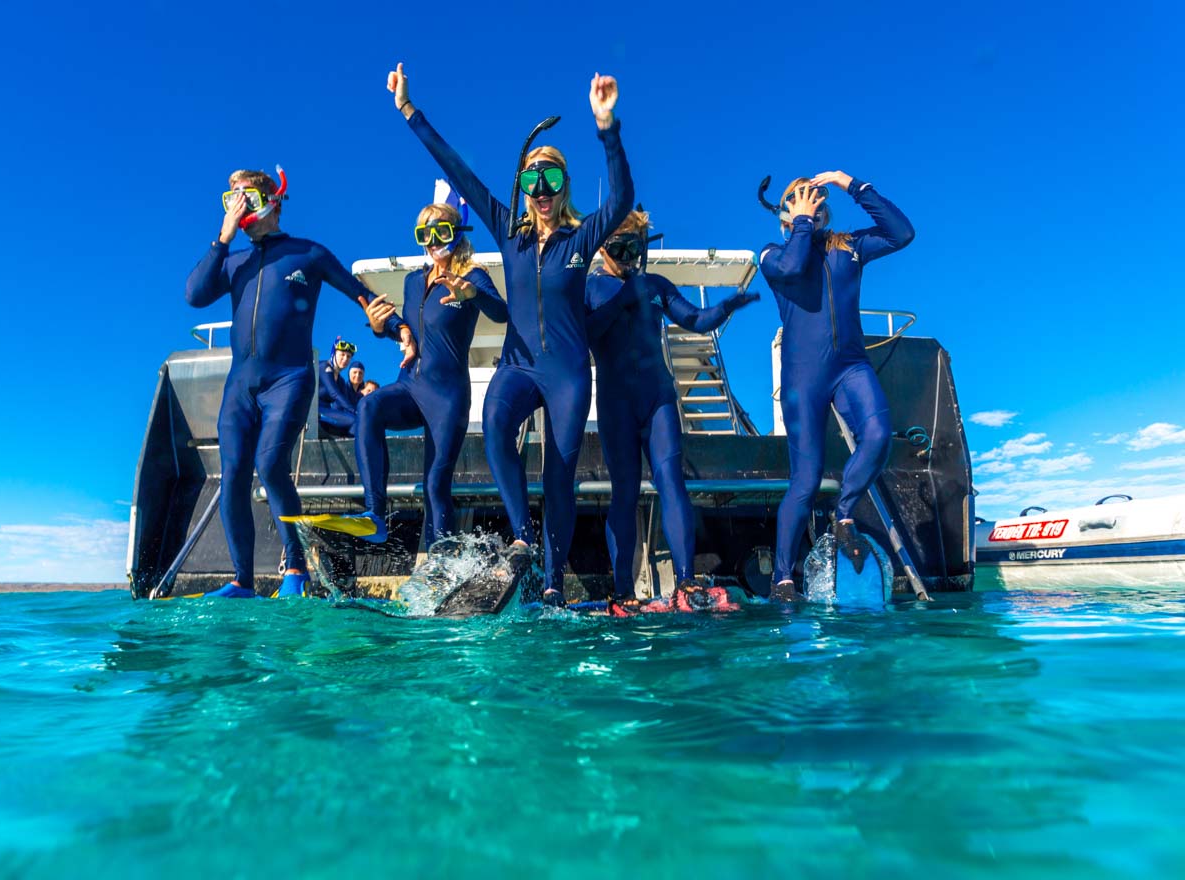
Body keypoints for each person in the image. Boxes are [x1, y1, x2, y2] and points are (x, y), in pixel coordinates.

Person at [386, 62, 633, 605]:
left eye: (551, 179)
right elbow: (455, 166)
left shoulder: (580, 237)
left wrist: (607, 128)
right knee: (496, 421)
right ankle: (524, 539)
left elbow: (620, 202)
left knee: (560, 475)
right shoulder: (509, 232)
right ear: (522, 186)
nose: (541, 189)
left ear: (563, 186)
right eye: (531, 179)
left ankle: (551, 582)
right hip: (518, 366)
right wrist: (409, 109)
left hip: (568, 373)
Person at [185, 168, 416, 599]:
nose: (239, 208)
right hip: (241, 386)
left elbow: (359, 293)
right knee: (233, 473)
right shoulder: (234, 261)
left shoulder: (306, 254)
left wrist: (399, 329)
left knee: (271, 465)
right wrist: (223, 237)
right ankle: (242, 580)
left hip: (288, 381)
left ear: (272, 201)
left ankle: (295, 568)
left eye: (247, 199)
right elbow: (194, 294)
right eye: (230, 200)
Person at [584, 210, 756, 614]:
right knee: (624, 492)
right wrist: (624, 297)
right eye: (619, 248)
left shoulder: (656, 285)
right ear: (603, 248)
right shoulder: (590, 288)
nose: (627, 258)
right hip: (615, 404)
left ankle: (685, 582)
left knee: (670, 480)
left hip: (656, 397)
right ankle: (623, 591)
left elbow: (695, 320)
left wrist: (726, 306)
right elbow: (585, 334)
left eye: (635, 249)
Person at [758, 172, 915, 597]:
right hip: (802, 376)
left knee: (879, 433)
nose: (813, 203)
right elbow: (793, 265)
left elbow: (902, 233)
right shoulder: (772, 254)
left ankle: (844, 513)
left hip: (850, 366)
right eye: (802, 199)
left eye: (817, 198)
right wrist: (802, 224)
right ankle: (783, 577)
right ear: (786, 213)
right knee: (805, 480)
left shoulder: (849, 247)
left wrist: (852, 184)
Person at [348, 201, 508, 546]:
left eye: (442, 231)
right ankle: (375, 514)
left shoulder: (473, 275)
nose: (434, 241)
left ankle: (442, 565)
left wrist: (472, 293)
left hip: (447, 396)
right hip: (410, 386)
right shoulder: (411, 281)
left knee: (436, 485)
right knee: (369, 407)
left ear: (457, 233)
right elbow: (405, 325)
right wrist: (387, 327)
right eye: (425, 233)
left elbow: (501, 313)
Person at [317, 337, 361, 438]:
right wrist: (355, 412)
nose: (345, 359)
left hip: (327, 414)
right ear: (334, 353)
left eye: (349, 356)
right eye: (342, 354)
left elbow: (342, 405)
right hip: (315, 413)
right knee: (355, 420)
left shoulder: (340, 381)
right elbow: (334, 393)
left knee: (357, 422)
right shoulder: (324, 367)